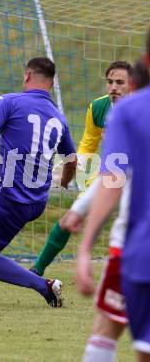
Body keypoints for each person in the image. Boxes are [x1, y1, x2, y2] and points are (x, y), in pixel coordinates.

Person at [0, 61, 133, 277]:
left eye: (120, 82)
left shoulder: (141, 109)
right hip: (102, 178)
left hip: (138, 177)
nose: (113, 87)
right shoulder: (98, 108)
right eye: (110, 82)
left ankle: (51, 282)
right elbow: (88, 144)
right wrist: (78, 166)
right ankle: (39, 269)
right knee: (68, 218)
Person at [0, 57, 77, 307]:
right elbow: (72, 160)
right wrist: (65, 182)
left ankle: (45, 286)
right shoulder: (59, 118)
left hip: (11, 198)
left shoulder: (10, 102)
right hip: (36, 201)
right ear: (52, 83)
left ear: (26, 76)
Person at [60, 59, 149, 362]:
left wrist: (83, 241)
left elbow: (114, 176)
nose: (114, 88)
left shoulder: (132, 112)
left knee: (106, 329)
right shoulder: (110, 109)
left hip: (135, 248)